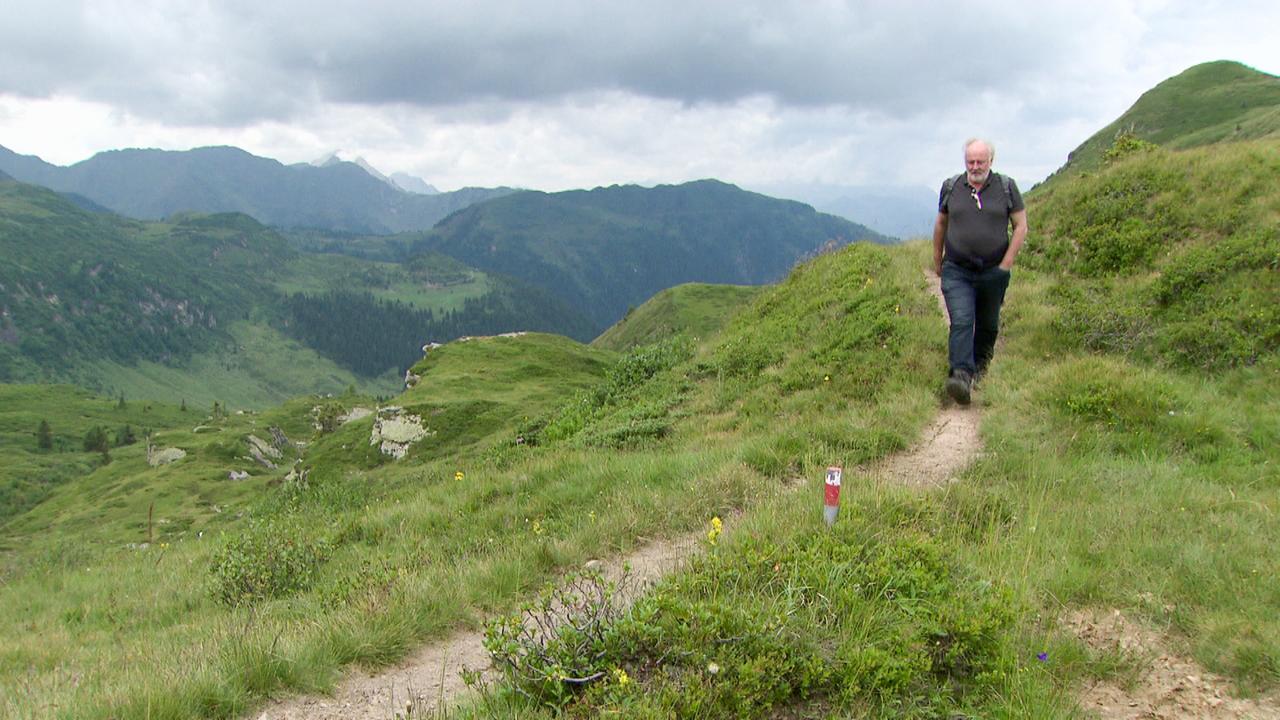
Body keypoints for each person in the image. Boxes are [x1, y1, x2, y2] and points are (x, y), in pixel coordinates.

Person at [931, 138, 1028, 405]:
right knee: (962, 320)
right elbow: (941, 223)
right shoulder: (951, 187)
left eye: (980, 162)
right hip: (957, 269)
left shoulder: (1006, 188)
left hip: (993, 271)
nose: (974, 167)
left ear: (990, 162)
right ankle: (960, 375)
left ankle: (980, 366)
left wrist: (1006, 265)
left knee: (988, 325)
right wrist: (937, 259)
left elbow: (1021, 226)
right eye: (970, 161)